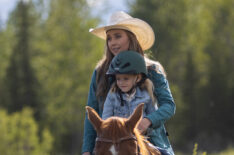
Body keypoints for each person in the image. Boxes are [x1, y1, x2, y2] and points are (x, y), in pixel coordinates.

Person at [82, 11, 175, 155]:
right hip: (105, 143)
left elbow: (169, 105)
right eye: (109, 38)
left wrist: (148, 120)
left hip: (150, 139)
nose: (112, 42)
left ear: (131, 38)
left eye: (118, 36)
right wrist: (87, 150)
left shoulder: (152, 70)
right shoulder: (100, 72)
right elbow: (91, 111)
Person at [102, 50, 157, 121]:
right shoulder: (112, 95)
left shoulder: (146, 95)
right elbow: (105, 119)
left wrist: (146, 127)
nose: (121, 83)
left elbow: (153, 118)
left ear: (138, 78)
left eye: (126, 79)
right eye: (118, 79)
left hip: (140, 132)